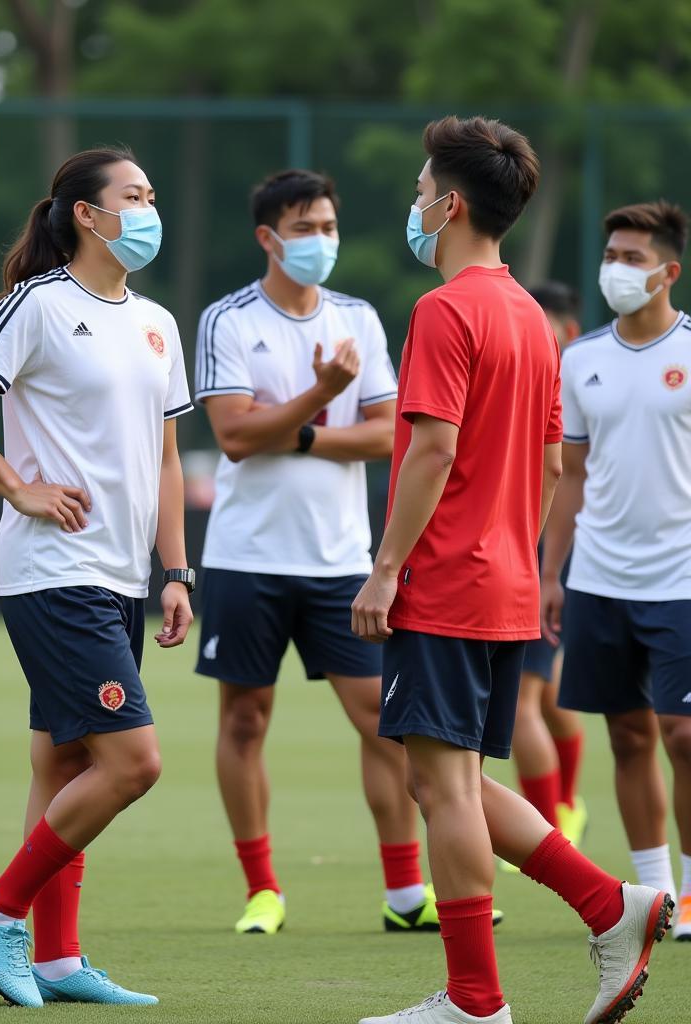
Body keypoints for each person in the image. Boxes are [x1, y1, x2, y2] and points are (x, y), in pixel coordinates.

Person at [352, 116, 671, 1024]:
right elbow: (551, 466)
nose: (415, 206)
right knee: (453, 777)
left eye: (420, 193)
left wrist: (386, 568)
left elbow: (429, 453)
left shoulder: (444, 310)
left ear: (450, 205)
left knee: (439, 786)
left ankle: (476, 1001)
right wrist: (512, 557)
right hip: (505, 583)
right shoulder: (534, 317)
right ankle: (614, 906)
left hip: (445, 582)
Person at [0, 146, 193, 1008]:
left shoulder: (156, 321)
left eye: (152, 193)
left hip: (123, 574)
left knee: (64, 760)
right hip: (53, 570)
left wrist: (177, 569)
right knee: (133, 762)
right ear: (85, 212)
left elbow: (167, 455)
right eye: (134, 195)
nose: (149, 208)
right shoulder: (39, 304)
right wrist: (15, 488)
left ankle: (59, 959)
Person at [194, 168, 466, 937]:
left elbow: (388, 435)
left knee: (384, 720)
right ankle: (263, 890)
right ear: (268, 238)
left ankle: (406, 893)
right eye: (305, 228)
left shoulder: (359, 319)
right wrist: (320, 396)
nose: (321, 241)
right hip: (247, 556)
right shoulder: (227, 319)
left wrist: (303, 430)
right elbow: (236, 437)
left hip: (343, 560)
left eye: (328, 226)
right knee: (245, 721)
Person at [542, 200, 691, 944]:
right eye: (611, 255)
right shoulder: (582, 358)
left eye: (633, 259)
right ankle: (656, 893)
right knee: (629, 736)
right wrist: (550, 572)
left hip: (682, 578)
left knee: (684, 734)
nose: (616, 270)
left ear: (670, 271)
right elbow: (570, 474)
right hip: (600, 577)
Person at [504, 282, 586, 857]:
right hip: (541, 546)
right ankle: (568, 805)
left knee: (522, 702)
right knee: (548, 692)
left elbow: (560, 472)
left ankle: (548, 828)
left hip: (545, 547)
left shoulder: (576, 381)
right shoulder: (523, 372)